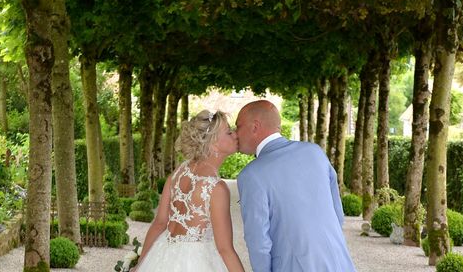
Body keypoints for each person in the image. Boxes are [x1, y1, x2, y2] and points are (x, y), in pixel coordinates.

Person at [235, 99, 357, 272]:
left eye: (238, 126)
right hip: (340, 262)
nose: (235, 134)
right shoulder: (314, 152)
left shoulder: (251, 175)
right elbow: (337, 214)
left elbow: (258, 242)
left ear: (254, 127)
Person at [133, 110, 245, 272]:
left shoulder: (178, 172)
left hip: (162, 256)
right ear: (213, 143)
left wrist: (140, 265)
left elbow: (159, 223)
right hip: (196, 263)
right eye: (228, 132)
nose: (235, 135)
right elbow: (224, 249)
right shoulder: (216, 188)